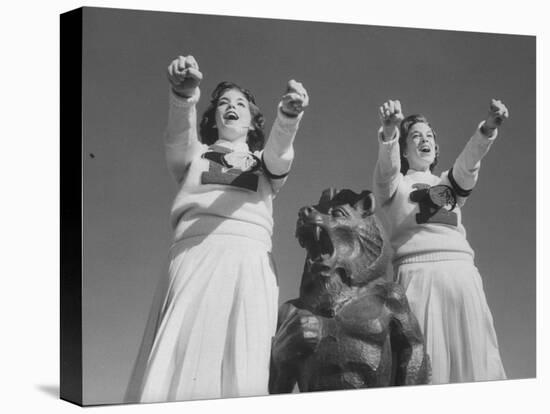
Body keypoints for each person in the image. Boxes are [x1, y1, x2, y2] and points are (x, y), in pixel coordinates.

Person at [125, 55, 309, 402]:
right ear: (213, 117)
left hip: (249, 262)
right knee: (180, 352)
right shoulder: (196, 153)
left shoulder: (264, 164)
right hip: (194, 256)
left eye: (241, 104)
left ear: (255, 121)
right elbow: (178, 137)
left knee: (244, 359)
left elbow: (280, 153)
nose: (231, 107)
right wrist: (184, 97)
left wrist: (288, 117)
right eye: (223, 103)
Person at [372, 99, 508, 384]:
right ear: (404, 149)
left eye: (430, 135)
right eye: (416, 136)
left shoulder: (449, 185)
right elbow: (386, 170)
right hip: (417, 277)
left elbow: (468, 164)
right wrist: (389, 134)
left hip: (462, 276)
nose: (425, 140)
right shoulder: (394, 186)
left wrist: (486, 130)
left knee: (477, 363)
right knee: (425, 366)